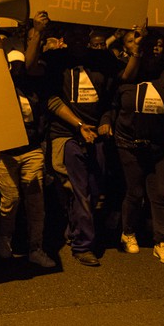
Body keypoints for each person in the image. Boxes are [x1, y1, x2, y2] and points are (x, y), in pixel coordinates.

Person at [45, 30, 120, 266]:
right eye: (72, 37)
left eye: (81, 38)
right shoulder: (57, 61)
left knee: (95, 190)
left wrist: (106, 121)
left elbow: (109, 101)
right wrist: (78, 126)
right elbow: (51, 99)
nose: (77, 43)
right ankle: (83, 245)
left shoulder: (100, 62)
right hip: (68, 135)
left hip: (95, 135)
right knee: (81, 191)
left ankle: (74, 229)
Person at [113, 29, 164, 264]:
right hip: (129, 144)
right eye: (152, 45)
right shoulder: (126, 71)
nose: (155, 49)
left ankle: (161, 241)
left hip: (159, 146)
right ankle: (128, 232)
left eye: (159, 45)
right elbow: (119, 90)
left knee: (160, 193)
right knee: (135, 192)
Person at [0, 50, 56, 268]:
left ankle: (35, 248)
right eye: (13, 65)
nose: (17, 68)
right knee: (10, 200)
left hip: (31, 150)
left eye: (20, 64)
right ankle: (5, 241)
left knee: (35, 201)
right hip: (5, 153)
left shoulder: (32, 88)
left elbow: (41, 118)